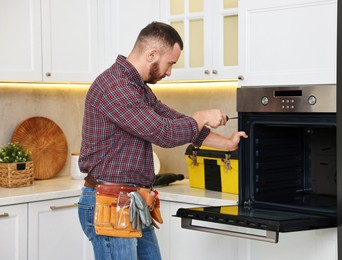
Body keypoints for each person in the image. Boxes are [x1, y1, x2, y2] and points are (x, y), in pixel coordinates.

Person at [77, 21, 248, 260]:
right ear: (152, 54)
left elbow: (173, 120)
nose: (169, 72)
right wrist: (200, 117)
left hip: (132, 201)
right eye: (170, 64)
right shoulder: (116, 87)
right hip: (110, 203)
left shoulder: (137, 87)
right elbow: (164, 133)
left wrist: (227, 144)